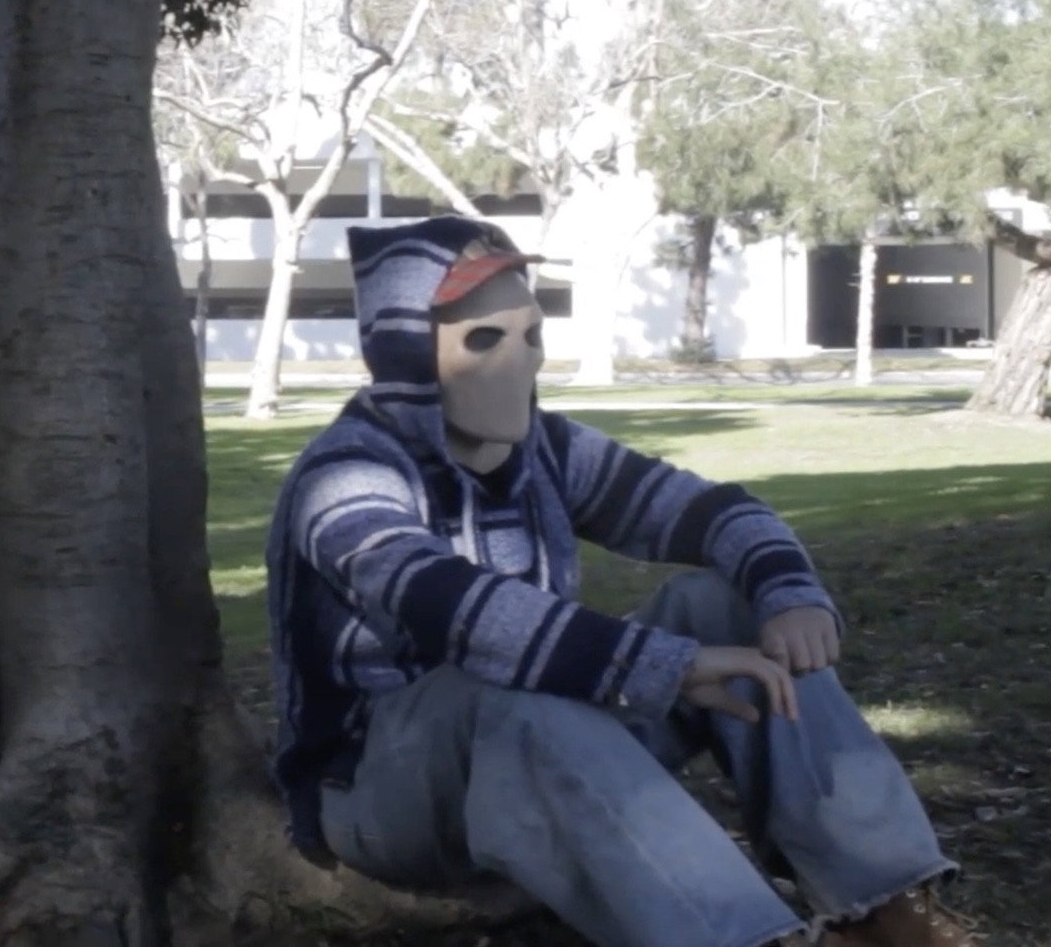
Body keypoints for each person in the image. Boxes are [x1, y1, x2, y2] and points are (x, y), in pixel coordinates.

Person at [265, 216, 970, 947]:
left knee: (722, 604)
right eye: (483, 339)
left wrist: (788, 592)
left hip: (546, 737)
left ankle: (886, 909)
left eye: (531, 335)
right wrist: (667, 666)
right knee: (501, 693)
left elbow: (713, 512)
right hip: (378, 789)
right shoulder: (345, 476)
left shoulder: (545, 448)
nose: (520, 363)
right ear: (407, 353)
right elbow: (452, 609)